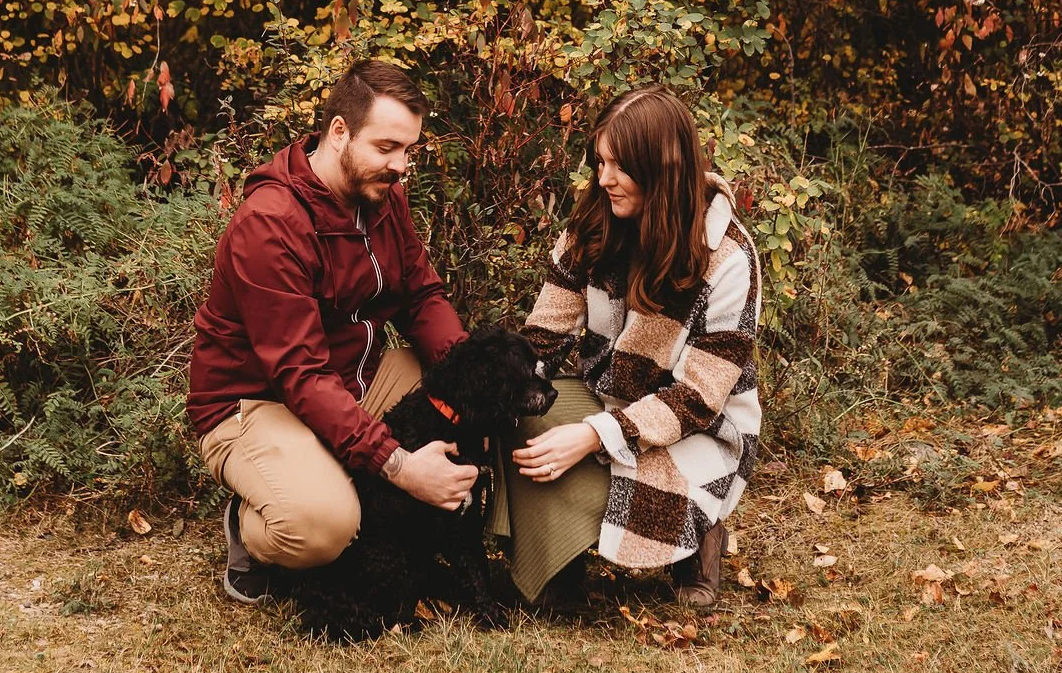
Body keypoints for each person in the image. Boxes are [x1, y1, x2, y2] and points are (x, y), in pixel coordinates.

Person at [187, 59, 479, 603]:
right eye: (387, 147)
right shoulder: (270, 224)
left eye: (410, 151)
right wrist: (399, 465)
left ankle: (338, 473)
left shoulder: (382, 197)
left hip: (353, 381)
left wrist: (469, 374)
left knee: (460, 404)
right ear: (338, 131)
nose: (402, 166)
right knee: (325, 526)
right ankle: (253, 526)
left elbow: (421, 295)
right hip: (256, 403)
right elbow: (300, 373)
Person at [497, 85, 762, 609]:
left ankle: (701, 531)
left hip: (696, 427)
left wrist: (594, 437)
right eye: (599, 162)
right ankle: (557, 560)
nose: (604, 179)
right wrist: (498, 385)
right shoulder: (594, 224)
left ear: (661, 169)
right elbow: (543, 334)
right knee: (517, 414)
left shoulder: (729, 258)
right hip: (607, 396)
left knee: (610, 468)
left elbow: (698, 398)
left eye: (619, 166)